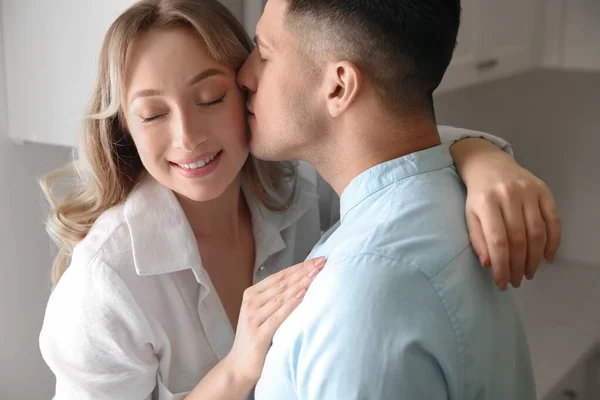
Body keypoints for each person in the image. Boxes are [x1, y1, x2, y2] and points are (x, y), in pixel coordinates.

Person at [38, 0, 560, 399]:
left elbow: (393, 155)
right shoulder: (104, 282)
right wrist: (235, 371)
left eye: (212, 97)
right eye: (152, 115)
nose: (188, 137)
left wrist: (481, 157)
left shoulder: (300, 188)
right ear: (125, 128)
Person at [235, 0, 546, 399]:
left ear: (338, 86)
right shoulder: (456, 197)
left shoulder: (359, 299)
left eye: (264, 54)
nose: (245, 74)